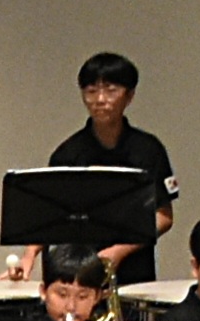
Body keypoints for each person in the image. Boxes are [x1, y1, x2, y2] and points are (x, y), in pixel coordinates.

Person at [39, 52, 174, 275]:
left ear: (129, 96)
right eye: (91, 91)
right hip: (79, 270)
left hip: (134, 267)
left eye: (111, 90)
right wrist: (28, 256)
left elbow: (164, 216)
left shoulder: (149, 150)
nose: (100, 99)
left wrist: (120, 250)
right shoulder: (68, 153)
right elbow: (50, 216)